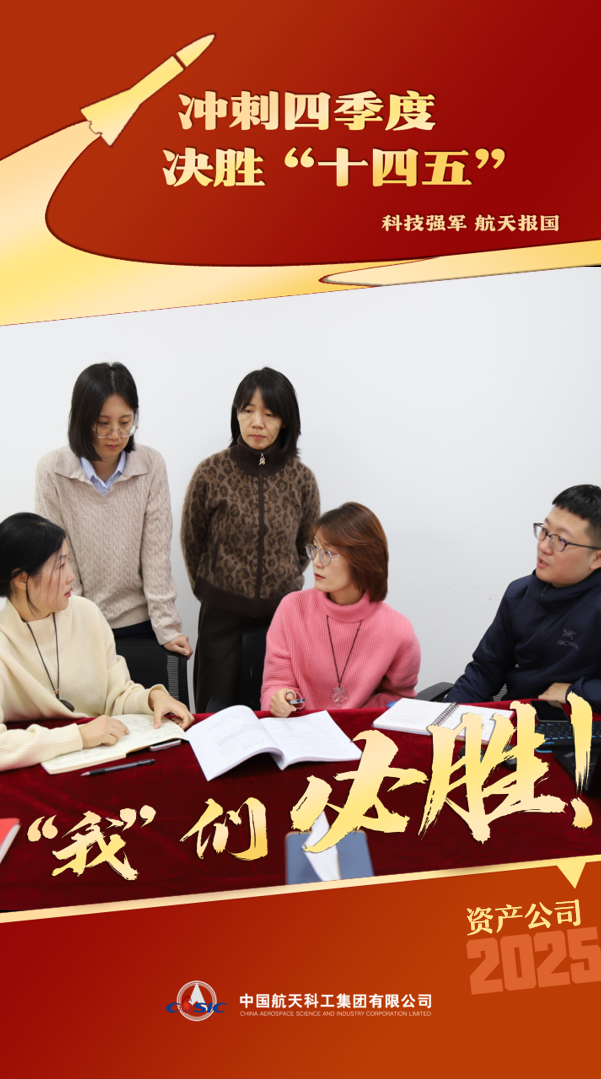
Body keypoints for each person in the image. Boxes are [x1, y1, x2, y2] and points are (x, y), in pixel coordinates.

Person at [0, 514, 193, 772]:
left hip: (98, 764)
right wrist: (78, 736)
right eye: (59, 566)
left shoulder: (87, 613)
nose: (71, 576)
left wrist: (152, 698)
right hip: (34, 775)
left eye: (68, 562)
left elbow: (117, 697)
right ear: (22, 579)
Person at [181, 367, 320, 711]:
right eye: (247, 410)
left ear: (285, 421)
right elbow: (192, 538)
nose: (257, 422)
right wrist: (213, 588)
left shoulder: (301, 479)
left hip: (281, 617)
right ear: (236, 414)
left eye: (269, 414)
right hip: (221, 618)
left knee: (278, 713)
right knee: (216, 715)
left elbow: (306, 545)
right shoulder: (211, 472)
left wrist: (283, 579)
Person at [35, 362, 191, 656]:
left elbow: (156, 556)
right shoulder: (52, 471)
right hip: (79, 624)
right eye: (103, 423)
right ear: (81, 420)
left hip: (141, 623)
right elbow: (59, 560)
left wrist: (166, 626)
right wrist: (73, 627)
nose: (116, 435)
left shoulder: (150, 465)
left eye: (125, 422)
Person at [446, 484, 601, 711]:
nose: (544, 547)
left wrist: (576, 692)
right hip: (522, 716)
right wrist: (446, 714)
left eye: (561, 540)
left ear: (596, 559)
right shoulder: (518, 594)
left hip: (580, 722)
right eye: (545, 531)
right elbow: (486, 669)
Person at [261, 502, 421, 716]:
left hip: (362, 733)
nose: (316, 562)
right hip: (301, 730)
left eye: (328, 553)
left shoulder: (398, 630)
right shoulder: (291, 609)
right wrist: (281, 699)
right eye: (315, 550)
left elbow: (400, 697)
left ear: (363, 559)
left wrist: (354, 716)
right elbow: (274, 685)